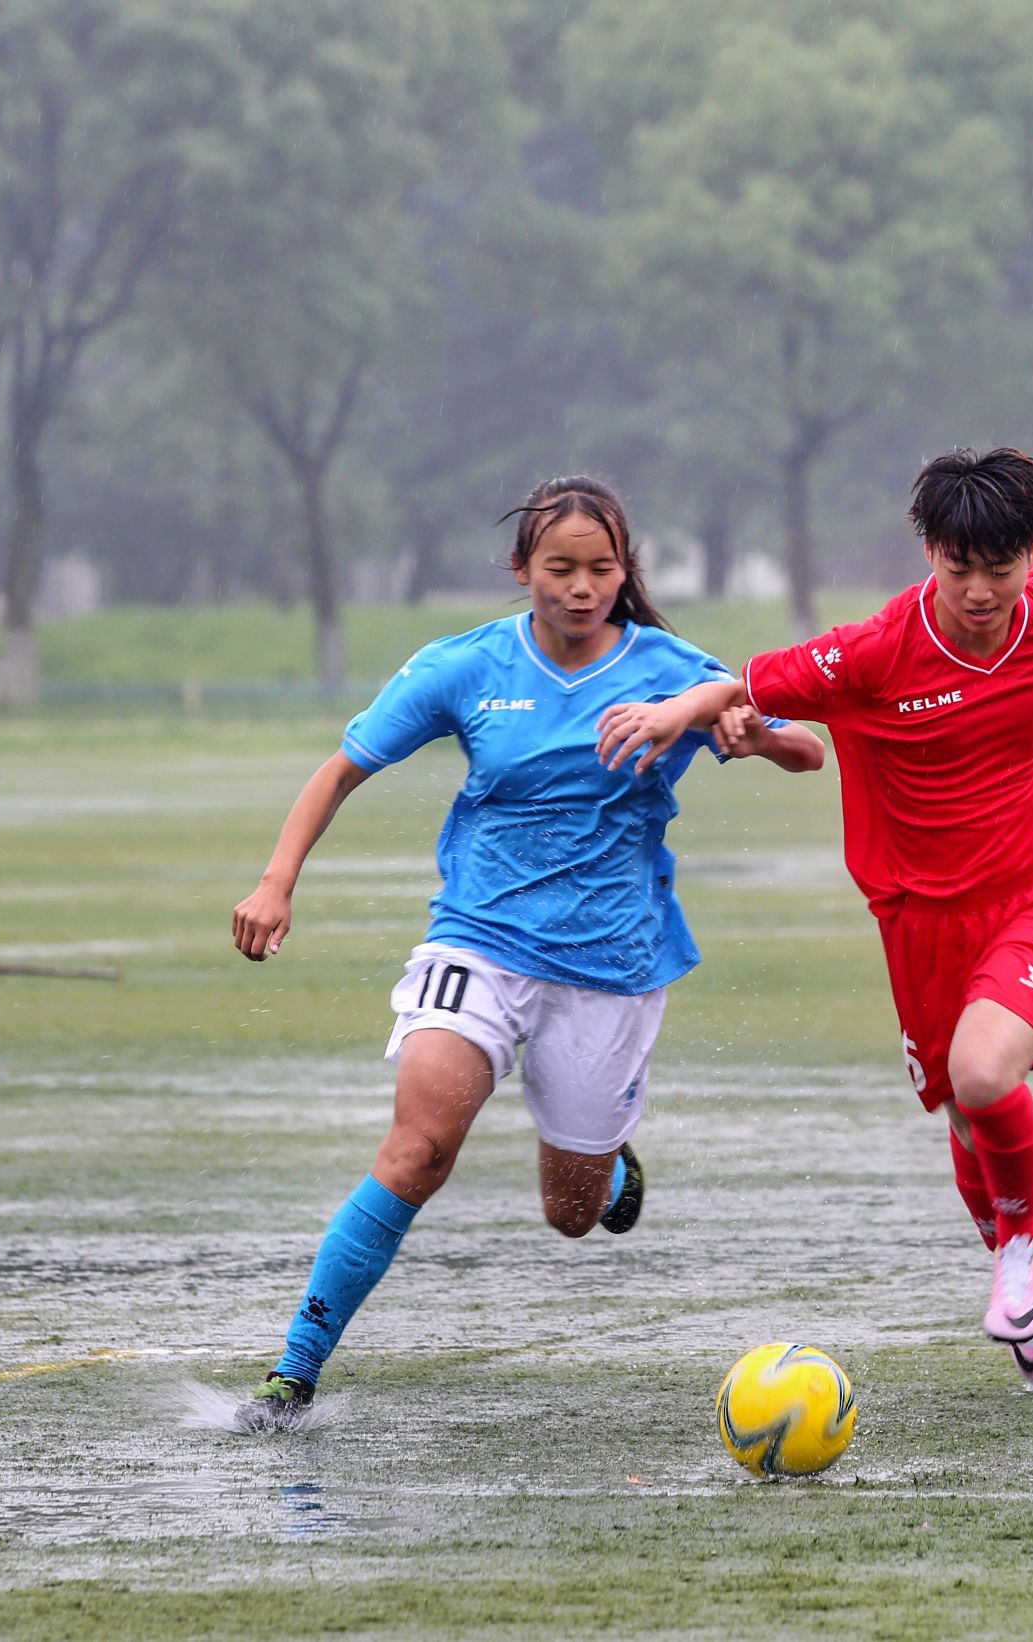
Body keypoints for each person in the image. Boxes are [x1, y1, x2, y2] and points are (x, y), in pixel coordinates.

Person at [227, 475, 824, 1425]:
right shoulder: (465, 667)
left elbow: (806, 749)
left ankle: (612, 1161)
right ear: (521, 570)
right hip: (480, 941)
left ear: (625, 572)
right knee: (419, 1149)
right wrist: (276, 880)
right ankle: (292, 1375)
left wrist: (748, 738)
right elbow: (342, 769)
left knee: (571, 1213)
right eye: (561, 569)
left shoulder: (671, 668)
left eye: (602, 568)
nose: (583, 588)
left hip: (610, 964)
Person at [595, 447, 1033, 1389]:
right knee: (969, 1123)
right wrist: (676, 712)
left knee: (982, 1073)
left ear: (1031, 556)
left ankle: (1023, 1250)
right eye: (957, 567)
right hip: (917, 922)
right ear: (929, 550)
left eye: (999, 570)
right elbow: (747, 689)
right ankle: (1021, 1278)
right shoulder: (878, 651)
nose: (978, 590)